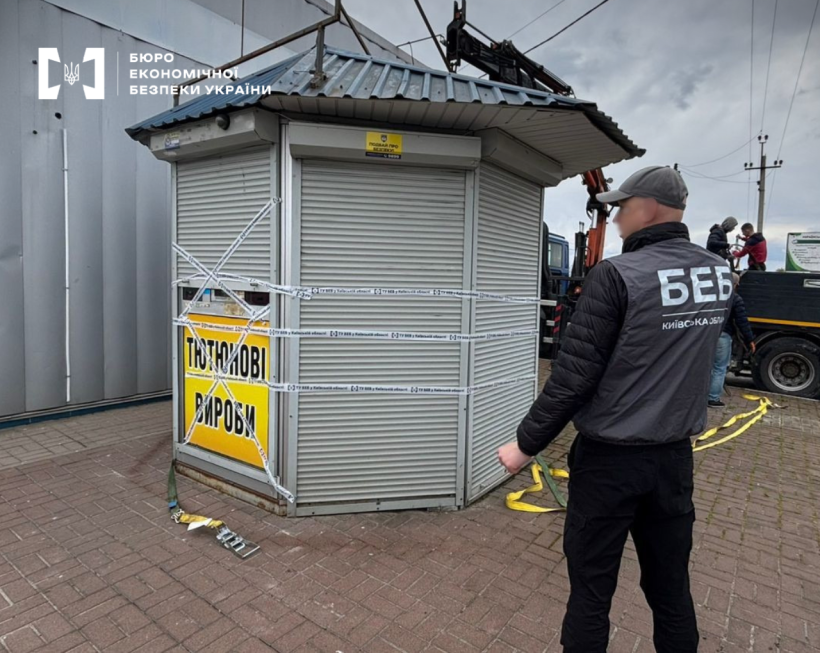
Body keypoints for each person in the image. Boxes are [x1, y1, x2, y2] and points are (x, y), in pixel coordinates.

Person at [498, 165, 732, 653]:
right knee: (671, 591)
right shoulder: (718, 273)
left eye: (623, 207)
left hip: (609, 464)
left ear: (648, 208)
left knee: (590, 592)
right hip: (672, 463)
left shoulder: (616, 275)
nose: (619, 217)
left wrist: (524, 445)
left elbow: (572, 378)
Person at [708, 273, 756, 407]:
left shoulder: (711, 296)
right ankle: (712, 399)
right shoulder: (735, 298)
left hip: (706, 335)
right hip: (722, 335)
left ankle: (700, 395)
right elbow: (742, 321)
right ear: (736, 285)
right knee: (719, 367)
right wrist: (750, 340)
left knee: (707, 366)